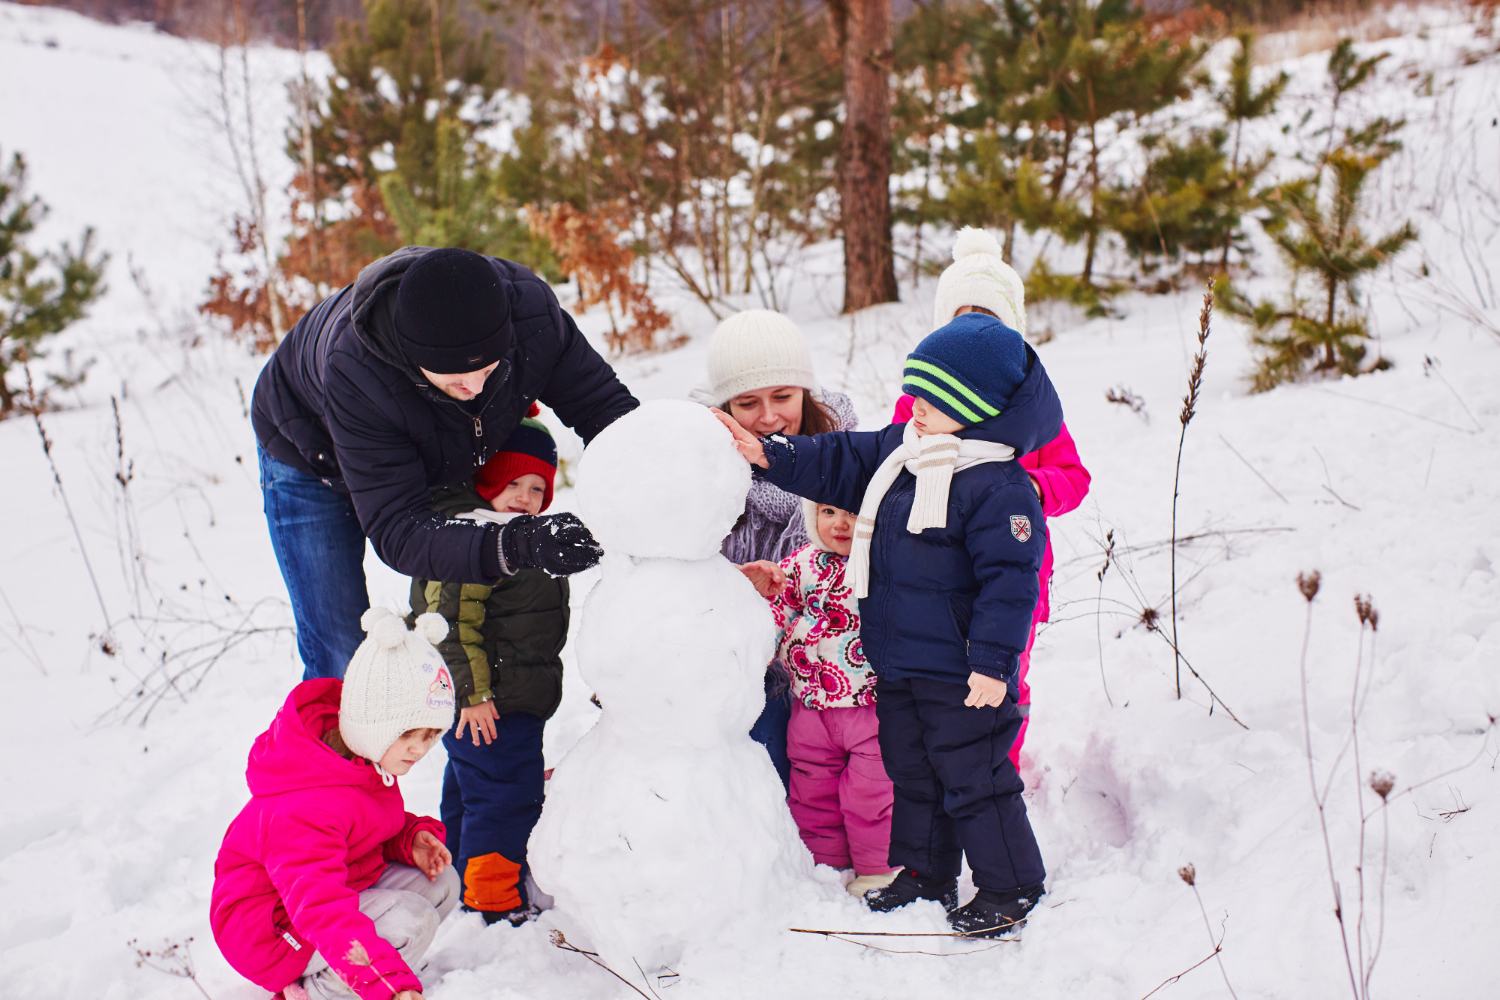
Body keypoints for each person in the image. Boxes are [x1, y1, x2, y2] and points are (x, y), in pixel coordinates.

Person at [714, 311, 1061, 937]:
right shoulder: (904, 453)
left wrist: (992, 662)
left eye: (930, 397)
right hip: (899, 664)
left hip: (961, 670)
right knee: (914, 774)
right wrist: (767, 452)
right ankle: (925, 873)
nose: (914, 405)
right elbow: (839, 456)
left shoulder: (996, 486)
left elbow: (1011, 583)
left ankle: (1011, 884)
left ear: (972, 405)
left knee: (975, 780)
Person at [252, 246, 636, 680]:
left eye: (489, 370)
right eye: (455, 377)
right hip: (307, 456)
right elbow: (399, 529)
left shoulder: (530, 317)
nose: (474, 387)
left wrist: (663, 471)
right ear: (414, 361)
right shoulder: (358, 371)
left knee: (484, 602)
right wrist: (517, 542)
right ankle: (338, 743)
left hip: (434, 437)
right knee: (342, 649)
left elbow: (604, 407)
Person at [889, 227, 1091, 767]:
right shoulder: (917, 406)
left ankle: (1000, 762)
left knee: (1005, 670)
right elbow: (889, 470)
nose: (975, 332)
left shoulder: (1033, 411)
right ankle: (943, 765)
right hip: (938, 572)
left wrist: (1027, 486)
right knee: (943, 672)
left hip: (1013, 573)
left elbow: (1075, 478)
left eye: (990, 321)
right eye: (961, 320)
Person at [211, 608, 461, 999]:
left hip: (329, 891)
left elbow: (362, 827)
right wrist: (390, 987)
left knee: (442, 883)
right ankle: (317, 990)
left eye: (430, 735)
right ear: (372, 722)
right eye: (409, 734)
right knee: (413, 920)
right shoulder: (304, 806)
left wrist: (408, 839)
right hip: (274, 932)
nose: (419, 749)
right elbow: (322, 908)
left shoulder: (359, 758)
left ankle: (362, 969)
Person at [407, 414, 568, 927]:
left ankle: (459, 876)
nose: (524, 496)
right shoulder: (478, 542)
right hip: (491, 703)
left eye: (537, 486)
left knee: (471, 790)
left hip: (499, 700)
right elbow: (449, 624)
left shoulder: (520, 536)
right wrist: (473, 695)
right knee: (505, 800)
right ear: (487, 483)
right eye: (511, 483)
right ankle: (493, 901)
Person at [700, 309, 858, 789]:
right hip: (743, 668)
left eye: (783, 396)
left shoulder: (847, 460)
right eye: (748, 402)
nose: (769, 417)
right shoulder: (706, 471)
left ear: (805, 393)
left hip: (835, 667)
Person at [757, 500, 897, 897]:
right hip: (810, 706)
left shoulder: (882, 562)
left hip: (867, 706)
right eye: (828, 512)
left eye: (853, 513)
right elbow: (777, 612)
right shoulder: (801, 564)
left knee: (870, 793)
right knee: (812, 788)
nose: (841, 524)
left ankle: (876, 868)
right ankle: (825, 863)